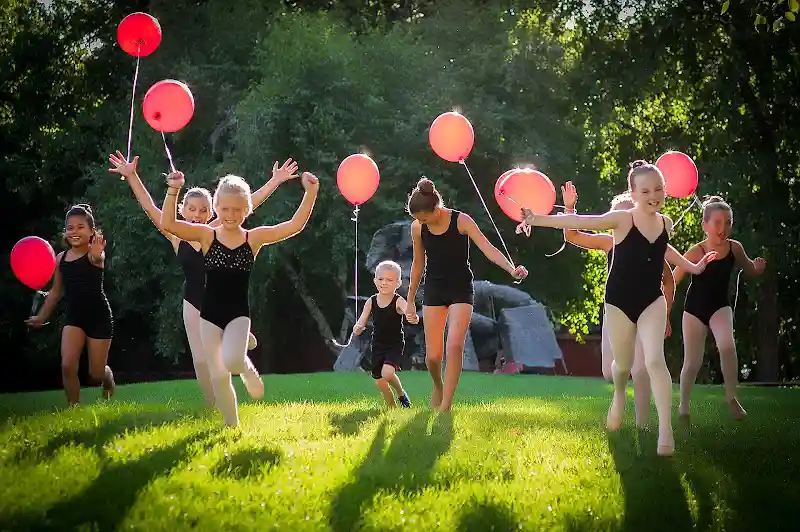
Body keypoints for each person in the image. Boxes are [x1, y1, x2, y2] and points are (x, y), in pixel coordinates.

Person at [518, 161, 716, 455]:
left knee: (653, 362)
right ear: (633, 194)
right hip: (619, 303)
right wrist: (537, 219)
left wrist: (694, 267)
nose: (654, 195)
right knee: (622, 367)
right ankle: (620, 397)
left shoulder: (665, 223)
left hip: (652, 300)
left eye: (659, 189)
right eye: (646, 190)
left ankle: (665, 433)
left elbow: (664, 250)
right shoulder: (621, 222)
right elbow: (579, 224)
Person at [108, 151, 297, 406]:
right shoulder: (175, 234)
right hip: (193, 302)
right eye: (192, 209)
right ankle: (213, 405)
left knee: (223, 350)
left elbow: (247, 202)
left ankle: (242, 339)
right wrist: (132, 176)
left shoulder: (213, 232)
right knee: (200, 360)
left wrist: (274, 181)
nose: (197, 214)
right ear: (181, 210)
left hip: (224, 301)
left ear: (212, 213)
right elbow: (150, 207)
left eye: (203, 210)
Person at [161, 170, 319, 426]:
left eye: (237, 210)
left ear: (247, 210)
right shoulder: (206, 236)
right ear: (216, 208)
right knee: (219, 377)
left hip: (237, 314)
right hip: (208, 315)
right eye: (225, 209)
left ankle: (245, 368)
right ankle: (231, 426)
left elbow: (294, 226)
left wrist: (311, 193)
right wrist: (174, 190)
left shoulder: (253, 238)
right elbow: (168, 224)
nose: (230, 215)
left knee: (233, 360)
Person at [405, 177, 528, 412]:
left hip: (460, 288)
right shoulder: (418, 227)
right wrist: (410, 300)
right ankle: (438, 387)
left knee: (454, 346)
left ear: (436, 209)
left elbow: (489, 249)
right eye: (417, 219)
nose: (420, 222)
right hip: (434, 288)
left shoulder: (461, 221)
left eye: (423, 217)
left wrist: (512, 269)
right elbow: (418, 264)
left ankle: (446, 406)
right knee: (432, 356)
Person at [561, 181, 675, 426]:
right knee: (610, 372)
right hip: (618, 308)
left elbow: (669, 280)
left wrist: (665, 315)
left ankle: (642, 424)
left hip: (646, 309)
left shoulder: (651, 244)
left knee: (642, 370)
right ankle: (619, 396)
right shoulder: (607, 242)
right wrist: (570, 208)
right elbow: (572, 235)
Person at [673, 195, 767, 422]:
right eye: (717, 222)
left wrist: (757, 267)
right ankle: (683, 407)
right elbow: (673, 279)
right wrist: (661, 305)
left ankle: (731, 397)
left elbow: (749, 268)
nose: (723, 227)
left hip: (719, 307)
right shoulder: (696, 250)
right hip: (694, 310)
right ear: (705, 225)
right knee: (692, 362)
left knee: (727, 346)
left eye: (728, 222)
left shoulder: (735, 248)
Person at [25, 204, 116, 405]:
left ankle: (107, 377)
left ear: (92, 231)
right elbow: (56, 292)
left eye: (80, 227)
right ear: (65, 232)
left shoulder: (95, 254)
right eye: (70, 227)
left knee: (96, 374)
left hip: (99, 316)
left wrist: (98, 251)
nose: (74, 231)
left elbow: (96, 258)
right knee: (67, 365)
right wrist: (41, 317)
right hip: (74, 317)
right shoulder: (60, 259)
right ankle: (74, 409)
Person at [353, 260, 418, 408]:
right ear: (375, 280)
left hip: (394, 344)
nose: (384, 283)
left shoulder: (398, 301)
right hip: (377, 344)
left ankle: (401, 394)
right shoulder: (371, 301)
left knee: (387, 374)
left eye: (389, 280)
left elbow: (409, 312)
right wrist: (358, 327)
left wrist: (412, 316)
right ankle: (392, 409)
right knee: (380, 382)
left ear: (398, 283)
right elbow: (362, 320)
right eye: (381, 279)